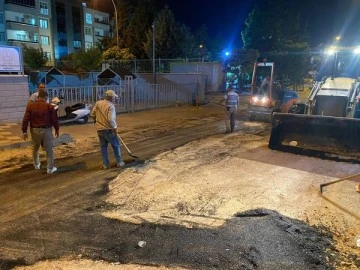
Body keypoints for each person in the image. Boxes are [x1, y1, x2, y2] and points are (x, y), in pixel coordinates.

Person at [22, 91, 59, 174]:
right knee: (49, 149)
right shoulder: (49, 106)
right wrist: (57, 129)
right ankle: (50, 168)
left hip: (34, 130)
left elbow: (25, 119)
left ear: (38, 97)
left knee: (35, 148)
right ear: (45, 98)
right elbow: (54, 119)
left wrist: (24, 131)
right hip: (46, 130)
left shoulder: (30, 106)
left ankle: (36, 165)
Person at [90, 89, 125, 169]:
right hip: (109, 129)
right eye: (114, 97)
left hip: (99, 129)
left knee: (103, 147)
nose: (114, 99)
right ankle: (119, 162)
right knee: (115, 145)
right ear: (111, 97)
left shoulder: (98, 103)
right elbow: (111, 119)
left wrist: (96, 121)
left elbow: (92, 115)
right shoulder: (111, 106)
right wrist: (115, 128)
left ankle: (105, 164)